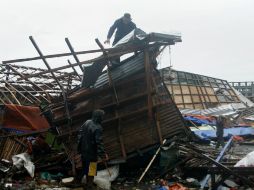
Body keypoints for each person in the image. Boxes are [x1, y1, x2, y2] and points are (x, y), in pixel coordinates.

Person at [77, 109, 108, 189]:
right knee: (92, 169)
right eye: (102, 117)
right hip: (91, 153)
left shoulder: (87, 122)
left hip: (84, 151)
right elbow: (99, 143)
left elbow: (79, 135)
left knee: (86, 168)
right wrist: (103, 155)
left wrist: (79, 148)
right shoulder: (98, 128)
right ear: (99, 117)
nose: (103, 118)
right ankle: (89, 186)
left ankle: (86, 184)